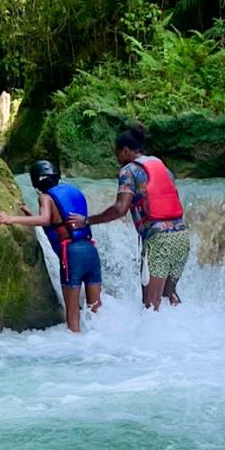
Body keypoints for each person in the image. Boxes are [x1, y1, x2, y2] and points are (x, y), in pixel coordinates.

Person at [68, 126, 189, 311]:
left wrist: (87, 220)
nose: (116, 159)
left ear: (125, 150)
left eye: (117, 153)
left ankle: (153, 339)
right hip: (181, 235)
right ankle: (185, 335)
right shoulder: (161, 167)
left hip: (159, 240)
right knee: (169, 296)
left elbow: (120, 209)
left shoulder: (128, 171)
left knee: (151, 305)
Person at [0, 160, 102, 333]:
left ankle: (77, 353)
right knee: (96, 310)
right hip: (90, 251)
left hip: (72, 256)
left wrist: (9, 218)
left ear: (35, 182)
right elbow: (60, 222)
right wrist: (30, 215)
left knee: (72, 315)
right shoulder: (74, 191)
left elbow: (46, 219)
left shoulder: (45, 197)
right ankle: (101, 348)